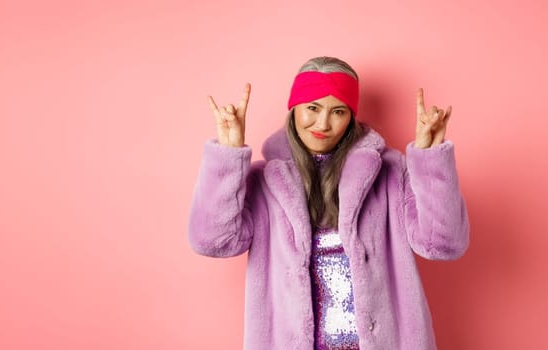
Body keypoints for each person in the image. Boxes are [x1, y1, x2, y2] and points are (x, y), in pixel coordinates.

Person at [187, 56, 469, 350]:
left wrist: (430, 159)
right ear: (294, 108)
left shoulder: (390, 174)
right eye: (312, 107)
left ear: (350, 118)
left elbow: (444, 244)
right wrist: (229, 155)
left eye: (338, 111)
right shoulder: (265, 181)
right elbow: (213, 241)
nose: (323, 123)